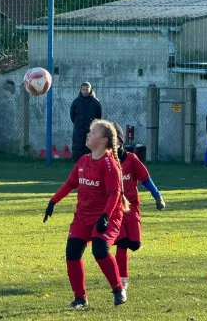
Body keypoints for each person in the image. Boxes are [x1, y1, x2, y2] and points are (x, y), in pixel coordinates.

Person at [43, 119, 128, 309]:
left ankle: (118, 289)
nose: (88, 134)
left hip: (108, 215)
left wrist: (105, 216)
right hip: (83, 215)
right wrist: (53, 201)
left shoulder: (109, 165)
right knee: (72, 253)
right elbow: (70, 184)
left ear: (104, 140)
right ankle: (80, 298)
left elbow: (115, 195)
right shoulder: (83, 161)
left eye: (93, 132)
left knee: (99, 250)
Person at [112, 123, 165, 295]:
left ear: (121, 140)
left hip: (132, 208)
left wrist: (157, 196)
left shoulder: (132, 160)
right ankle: (122, 280)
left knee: (134, 243)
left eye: (116, 139)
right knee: (122, 244)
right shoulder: (104, 161)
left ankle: (121, 277)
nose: (113, 144)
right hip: (114, 209)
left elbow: (145, 179)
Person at [70, 82, 102, 162]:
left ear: (90, 89)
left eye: (86, 89)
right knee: (78, 151)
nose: (85, 91)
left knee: (90, 150)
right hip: (79, 130)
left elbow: (99, 117)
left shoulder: (96, 102)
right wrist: (78, 124)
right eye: (83, 89)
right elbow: (72, 116)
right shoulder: (76, 102)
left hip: (91, 130)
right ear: (81, 90)